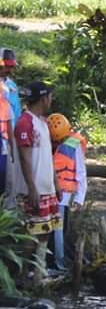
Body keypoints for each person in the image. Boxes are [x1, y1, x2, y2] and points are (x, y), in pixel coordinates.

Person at [10, 82, 61, 276]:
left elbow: (48, 155)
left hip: (46, 187)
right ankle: (22, 276)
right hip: (32, 189)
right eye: (49, 97)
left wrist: (55, 182)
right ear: (43, 98)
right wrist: (32, 188)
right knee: (30, 234)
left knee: (45, 230)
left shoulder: (42, 122)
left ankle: (39, 274)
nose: (51, 101)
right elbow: (24, 158)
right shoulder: (25, 122)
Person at [47, 113, 87, 271]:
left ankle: (59, 263)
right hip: (46, 193)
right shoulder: (45, 140)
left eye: (58, 140)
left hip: (63, 196)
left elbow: (81, 172)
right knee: (48, 230)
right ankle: (50, 261)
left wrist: (79, 198)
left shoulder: (73, 145)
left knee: (58, 231)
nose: (56, 143)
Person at [0, 48, 19, 198]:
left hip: (9, 140)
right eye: (7, 66)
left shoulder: (12, 87)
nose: (9, 70)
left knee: (8, 183)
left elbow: (16, 114)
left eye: (12, 66)